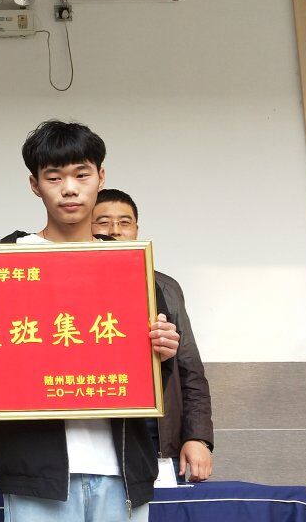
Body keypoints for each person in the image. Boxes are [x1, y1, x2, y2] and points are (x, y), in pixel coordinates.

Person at [0, 120, 180, 522]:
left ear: (101, 177)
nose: (69, 188)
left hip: (122, 473)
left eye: (81, 175)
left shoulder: (130, 266)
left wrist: (163, 351)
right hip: (36, 476)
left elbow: (151, 379)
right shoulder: (1, 259)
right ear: (35, 185)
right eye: (54, 177)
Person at [94, 188, 214, 482]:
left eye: (125, 222)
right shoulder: (66, 283)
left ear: (136, 230)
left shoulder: (164, 287)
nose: (115, 230)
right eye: (103, 222)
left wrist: (197, 437)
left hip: (156, 432)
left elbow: (190, 368)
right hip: (94, 429)